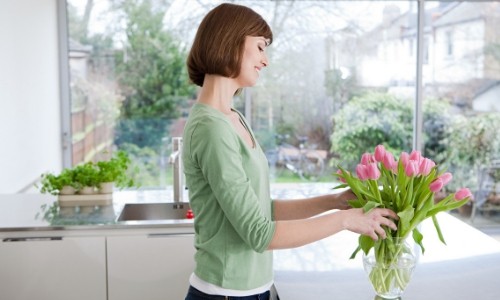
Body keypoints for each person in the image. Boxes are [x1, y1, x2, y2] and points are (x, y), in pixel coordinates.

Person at [182, 3, 398, 300]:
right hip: (225, 293)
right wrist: (346, 220)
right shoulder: (212, 128)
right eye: (260, 47)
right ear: (229, 41)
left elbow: (262, 210)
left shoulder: (232, 118)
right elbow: (259, 233)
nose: (265, 60)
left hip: (251, 290)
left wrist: (334, 202)